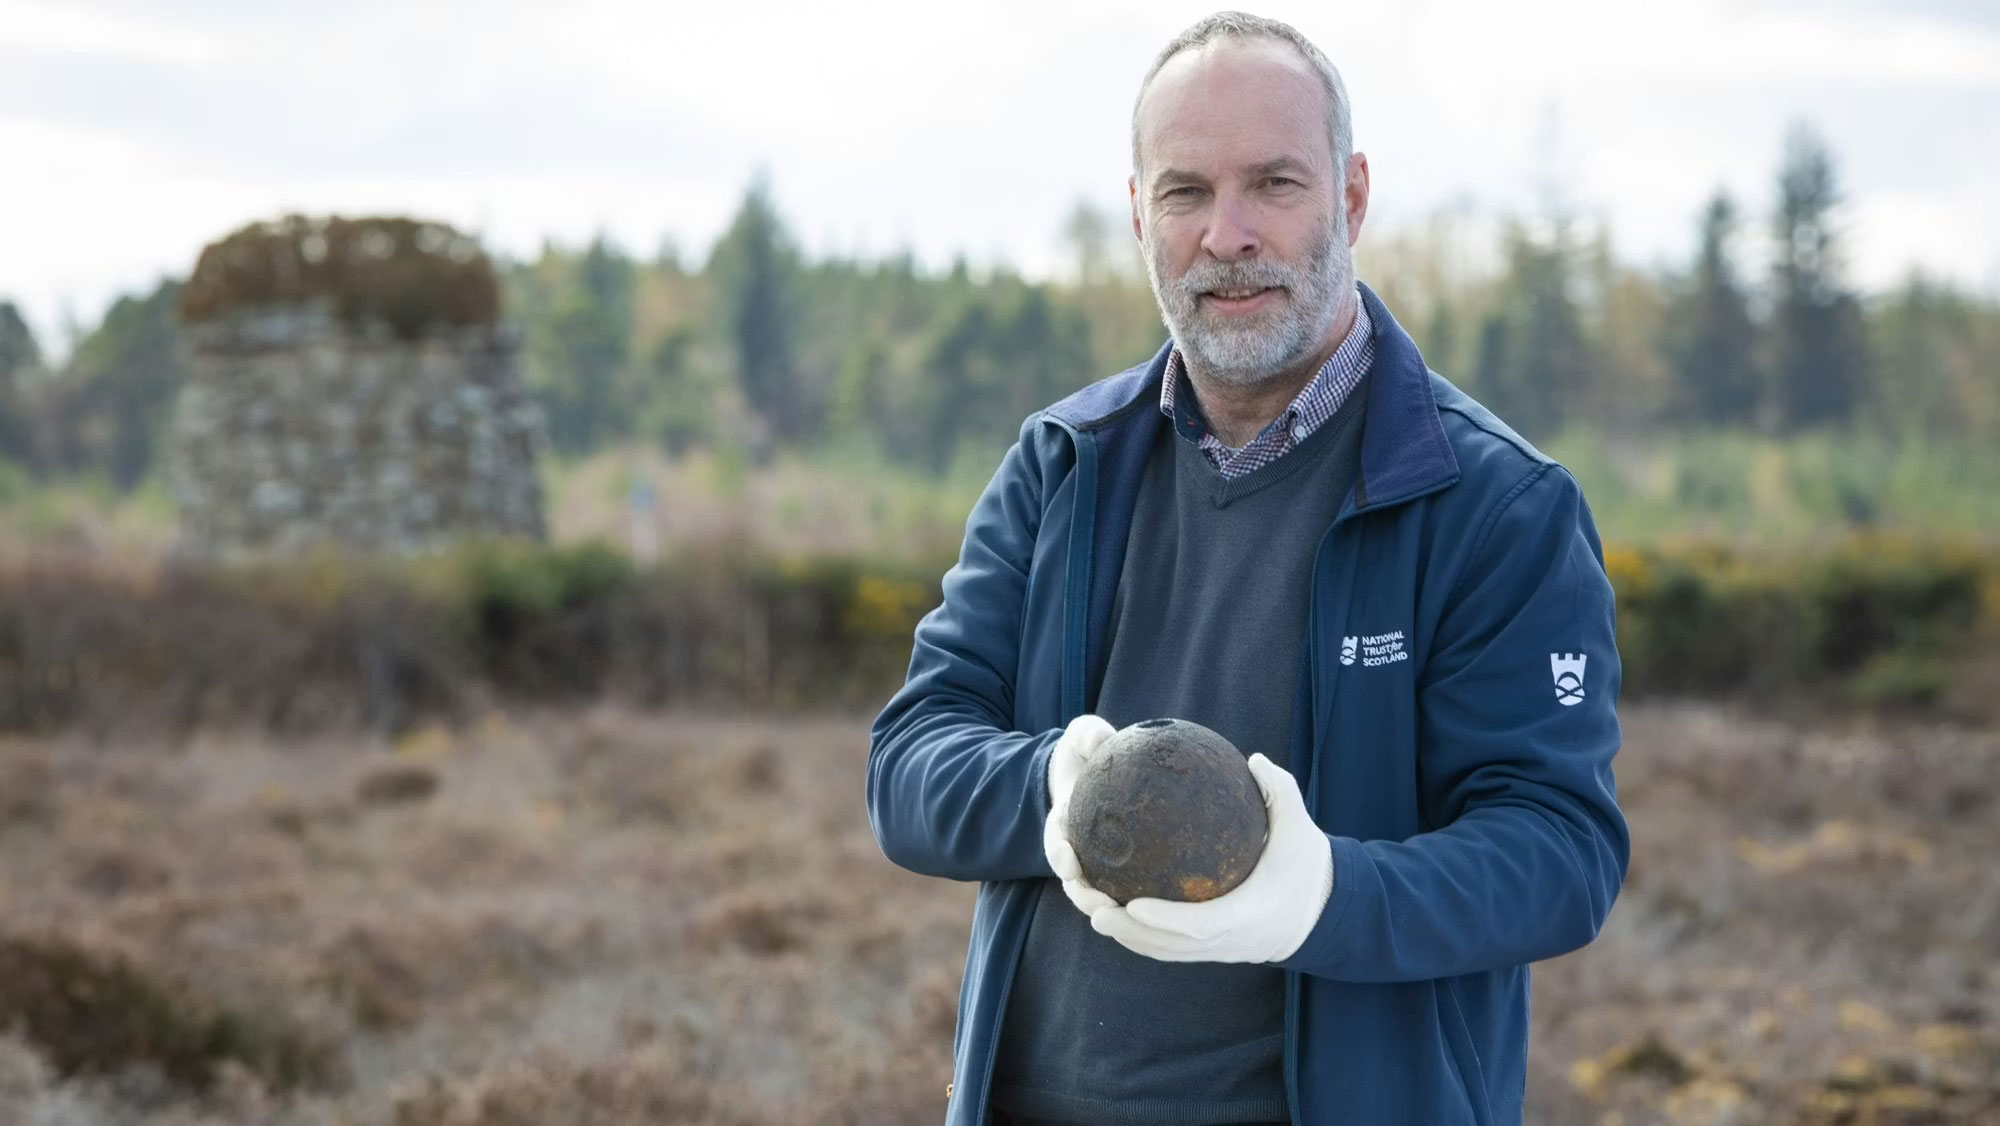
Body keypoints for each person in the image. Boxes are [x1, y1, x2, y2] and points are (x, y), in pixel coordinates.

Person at [866, 11, 1628, 1125]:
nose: (1227, 235)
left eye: (1273, 184)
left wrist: (1318, 895)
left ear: (1351, 197)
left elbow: (1557, 852)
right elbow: (908, 766)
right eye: (1183, 192)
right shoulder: (1061, 464)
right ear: (1136, 215)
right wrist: (1059, 785)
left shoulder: (1496, 505)